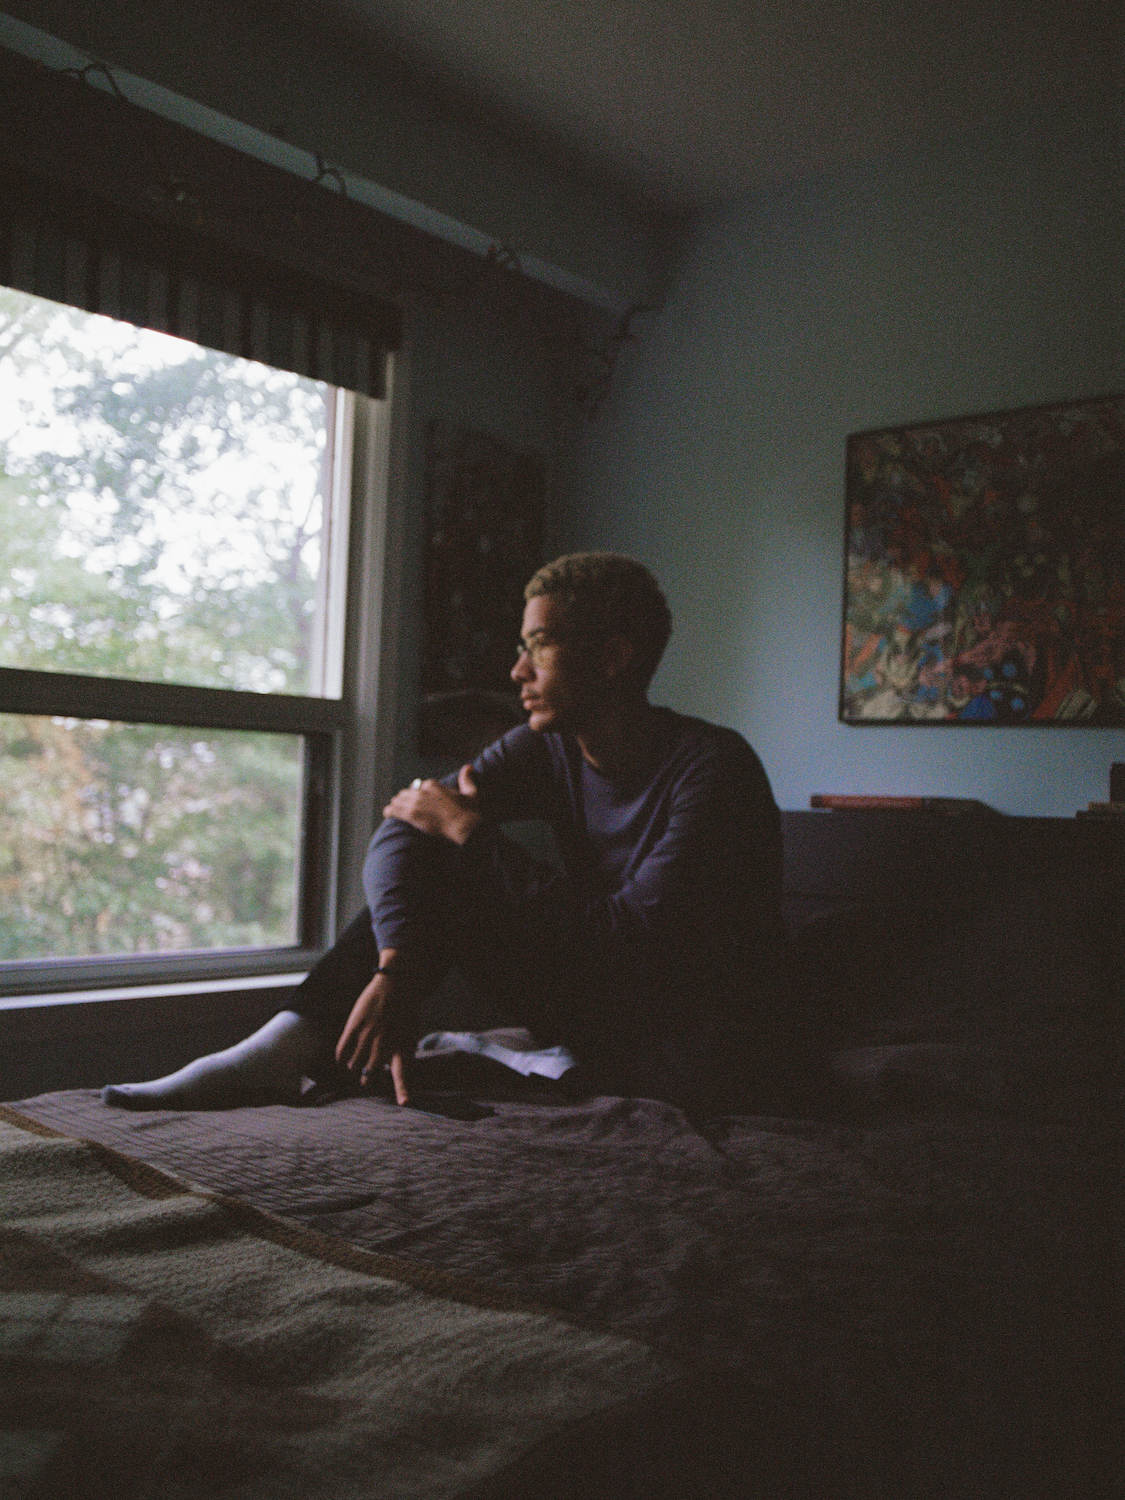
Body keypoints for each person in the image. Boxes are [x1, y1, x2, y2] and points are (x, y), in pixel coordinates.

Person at [104, 553, 787, 1117]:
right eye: (522, 648)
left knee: (460, 845)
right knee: (439, 855)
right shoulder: (545, 747)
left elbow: (628, 940)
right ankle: (279, 1051)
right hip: (594, 1001)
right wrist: (396, 966)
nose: (517, 672)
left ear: (611, 657)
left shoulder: (713, 769)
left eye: (539, 647)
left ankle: (289, 1053)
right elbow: (411, 822)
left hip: (688, 1030)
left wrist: (470, 831)